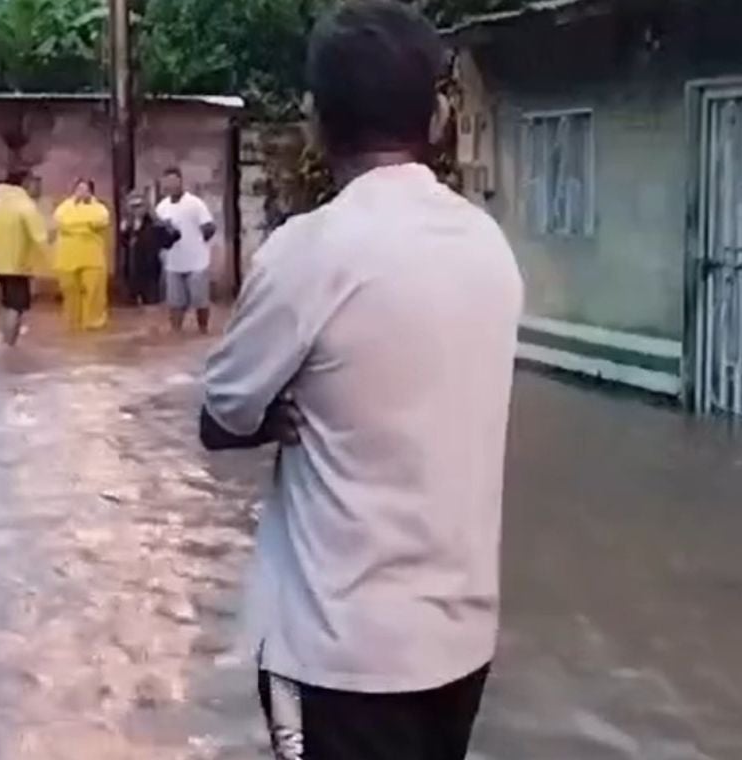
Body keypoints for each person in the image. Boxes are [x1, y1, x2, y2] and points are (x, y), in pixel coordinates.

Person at [199, 2, 524, 759]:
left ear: (315, 122)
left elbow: (223, 416)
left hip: (338, 652)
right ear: (439, 118)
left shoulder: (308, 252)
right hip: (460, 640)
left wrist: (277, 408)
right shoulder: (488, 247)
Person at [0, 169, 48, 346]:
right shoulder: (25, 206)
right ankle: (9, 345)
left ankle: (1, 337)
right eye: (34, 182)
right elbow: (40, 238)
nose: (37, 187)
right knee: (15, 306)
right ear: (24, 183)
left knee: (1, 302)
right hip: (17, 265)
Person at [155, 167, 216, 334]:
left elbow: (209, 226)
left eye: (174, 181)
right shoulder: (162, 207)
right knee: (175, 303)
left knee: (200, 301)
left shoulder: (195, 203)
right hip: (174, 262)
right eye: (167, 182)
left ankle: (203, 330)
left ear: (181, 182)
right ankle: (176, 334)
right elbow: (158, 234)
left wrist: (200, 240)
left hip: (197, 261)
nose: (171, 185)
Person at [53, 179, 112, 331]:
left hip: (92, 257)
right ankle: (73, 323)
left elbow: (100, 222)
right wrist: (85, 227)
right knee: (70, 290)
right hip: (68, 258)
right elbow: (61, 221)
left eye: (85, 189)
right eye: (79, 188)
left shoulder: (100, 208)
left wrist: (75, 226)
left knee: (94, 292)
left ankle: (93, 322)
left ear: (91, 192)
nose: (81, 192)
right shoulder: (64, 207)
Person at [123, 189, 179, 308]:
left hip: (151, 272)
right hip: (132, 273)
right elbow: (125, 245)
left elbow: (169, 241)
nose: (137, 210)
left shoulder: (155, 224)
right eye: (133, 206)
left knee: (152, 306)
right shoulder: (128, 226)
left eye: (140, 206)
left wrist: (171, 230)